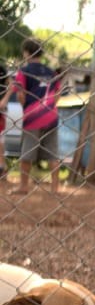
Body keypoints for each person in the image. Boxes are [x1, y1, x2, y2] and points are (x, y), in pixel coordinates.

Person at [1, 37, 63, 196]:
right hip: (51, 116)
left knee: (27, 154)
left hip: (33, 117)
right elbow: (57, 94)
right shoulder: (50, 71)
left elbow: (21, 94)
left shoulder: (24, 71)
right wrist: (49, 106)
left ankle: (24, 186)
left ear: (27, 53)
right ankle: (55, 188)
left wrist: (25, 107)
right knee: (52, 153)